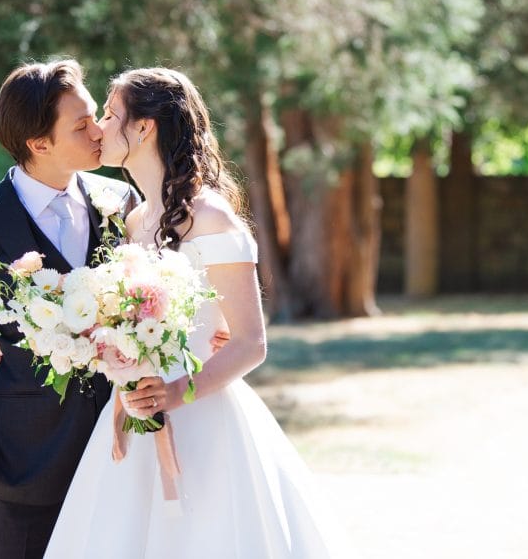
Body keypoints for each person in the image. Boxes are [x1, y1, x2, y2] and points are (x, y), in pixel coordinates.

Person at [42, 67, 351, 557]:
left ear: (144, 128)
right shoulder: (134, 219)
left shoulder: (211, 218)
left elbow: (251, 341)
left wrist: (174, 393)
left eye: (109, 113)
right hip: (137, 409)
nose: (99, 127)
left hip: (204, 416)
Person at [0, 59, 139, 558]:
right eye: (80, 125)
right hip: (20, 473)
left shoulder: (122, 203)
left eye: (94, 116)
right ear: (39, 144)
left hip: (121, 459)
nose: (98, 130)